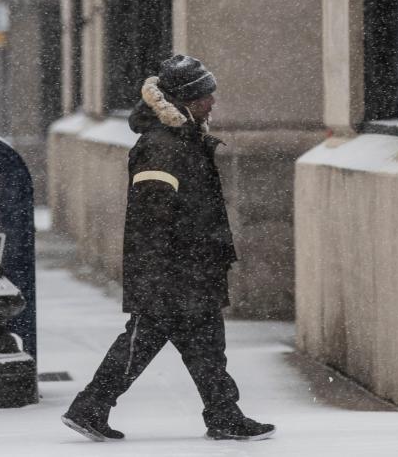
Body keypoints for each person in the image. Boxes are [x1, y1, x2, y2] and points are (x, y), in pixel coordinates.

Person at [62, 54, 275, 442]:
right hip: (173, 270)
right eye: (206, 96)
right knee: (145, 341)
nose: (212, 103)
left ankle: (224, 414)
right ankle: (90, 406)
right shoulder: (163, 146)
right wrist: (161, 271)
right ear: (187, 101)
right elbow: (151, 214)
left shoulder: (183, 139)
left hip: (191, 266)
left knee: (206, 344)